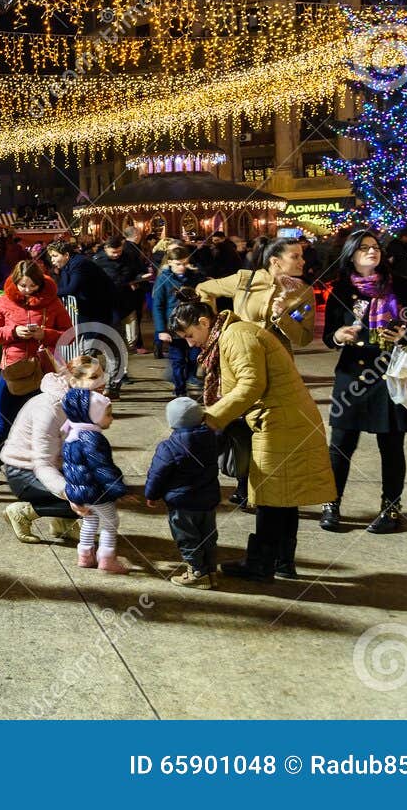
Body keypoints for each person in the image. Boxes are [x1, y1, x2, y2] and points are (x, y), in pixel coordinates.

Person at [171, 289, 335, 582]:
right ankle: (282, 562)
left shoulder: (236, 336)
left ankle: (261, 564)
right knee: (285, 497)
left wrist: (211, 419)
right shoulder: (231, 335)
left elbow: (251, 385)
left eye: (188, 334)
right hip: (282, 419)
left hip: (279, 421)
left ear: (204, 322)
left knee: (271, 496)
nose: (190, 342)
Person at [197, 235, 316, 507]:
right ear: (276, 261)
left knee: (268, 428)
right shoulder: (247, 279)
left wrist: (282, 317)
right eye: (295, 256)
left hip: (277, 367)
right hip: (239, 363)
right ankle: (243, 483)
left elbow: (304, 338)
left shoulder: (301, 292)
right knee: (240, 426)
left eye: (301, 256)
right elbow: (205, 288)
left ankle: (265, 487)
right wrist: (215, 329)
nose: (302, 261)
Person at [320, 229, 407, 535]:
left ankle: (391, 509)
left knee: (391, 446)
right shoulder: (339, 288)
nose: (371, 251)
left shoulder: (401, 286)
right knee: (340, 445)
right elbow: (329, 336)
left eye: (374, 247)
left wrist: (406, 335)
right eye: (363, 248)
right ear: (351, 255)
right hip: (352, 374)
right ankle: (331, 504)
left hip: (389, 374)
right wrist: (338, 335)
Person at [0, 259, 73, 488]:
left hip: (43, 371)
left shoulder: (52, 302)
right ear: (15, 282)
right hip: (14, 369)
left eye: (32, 285)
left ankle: (42, 468)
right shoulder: (3, 301)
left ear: (41, 283)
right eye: (23, 285)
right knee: (3, 419)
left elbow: (68, 332)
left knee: (43, 422)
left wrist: (45, 334)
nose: (27, 290)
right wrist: (13, 332)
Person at [0, 355, 105, 545]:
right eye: (93, 378)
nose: (102, 384)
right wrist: (70, 492)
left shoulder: (83, 402)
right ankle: (23, 512)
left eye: (101, 376)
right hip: (24, 471)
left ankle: (64, 524)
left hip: (55, 466)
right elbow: (43, 464)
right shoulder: (50, 408)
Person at [143, 397, 222, 589]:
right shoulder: (212, 439)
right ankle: (211, 570)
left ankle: (197, 573)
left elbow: (157, 474)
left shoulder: (169, 447)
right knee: (208, 536)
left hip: (182, 504)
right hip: (208, 500)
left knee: (188, 538)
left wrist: (151, 494)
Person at [60, 385, 129, 573]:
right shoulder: (93, 439)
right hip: (98, 492)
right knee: (110, 522)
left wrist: (74, 493)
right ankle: (107, 559)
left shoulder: (71, 436)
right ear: (94, 416)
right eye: (108, 415)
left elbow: (68, 467)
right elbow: (102, 468)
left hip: (80, 493)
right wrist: (119, 489)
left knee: (90, 521)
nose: (112, 419)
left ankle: (84, 555)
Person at [49, 238, 124, 395]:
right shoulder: (69, 265)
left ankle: (91, 387)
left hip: (102, 310)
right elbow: (64, 287)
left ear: (66, 254)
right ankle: (107, 386)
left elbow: (70, 288)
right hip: (91, 311)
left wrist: (47, 292)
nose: (52, 260)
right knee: (105, 348)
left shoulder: (80, 264)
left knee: (90, 350)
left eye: (55, 256)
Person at [151, 245, 204, 397]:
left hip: (193, 325)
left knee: (195, 357)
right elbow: (158, 305)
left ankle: (190, 376)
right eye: (178, 264)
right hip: (174, 327)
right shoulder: (164, 278)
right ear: (170, 263)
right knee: (178, 360)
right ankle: (180, 391)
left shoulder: (194, 276)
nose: (182, 267)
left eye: (184, 263)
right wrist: (161, 330)